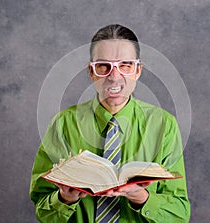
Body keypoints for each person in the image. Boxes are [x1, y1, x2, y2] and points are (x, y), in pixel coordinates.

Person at [30, 24, 191, 223]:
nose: (114, 76)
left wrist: (141, 197)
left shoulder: (164, 125)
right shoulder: (63, 124)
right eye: (103, 66)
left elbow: (180, 215)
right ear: (91, 71)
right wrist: (65, 199)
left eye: (125, 65)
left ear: (138, 70)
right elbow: (43, 212)